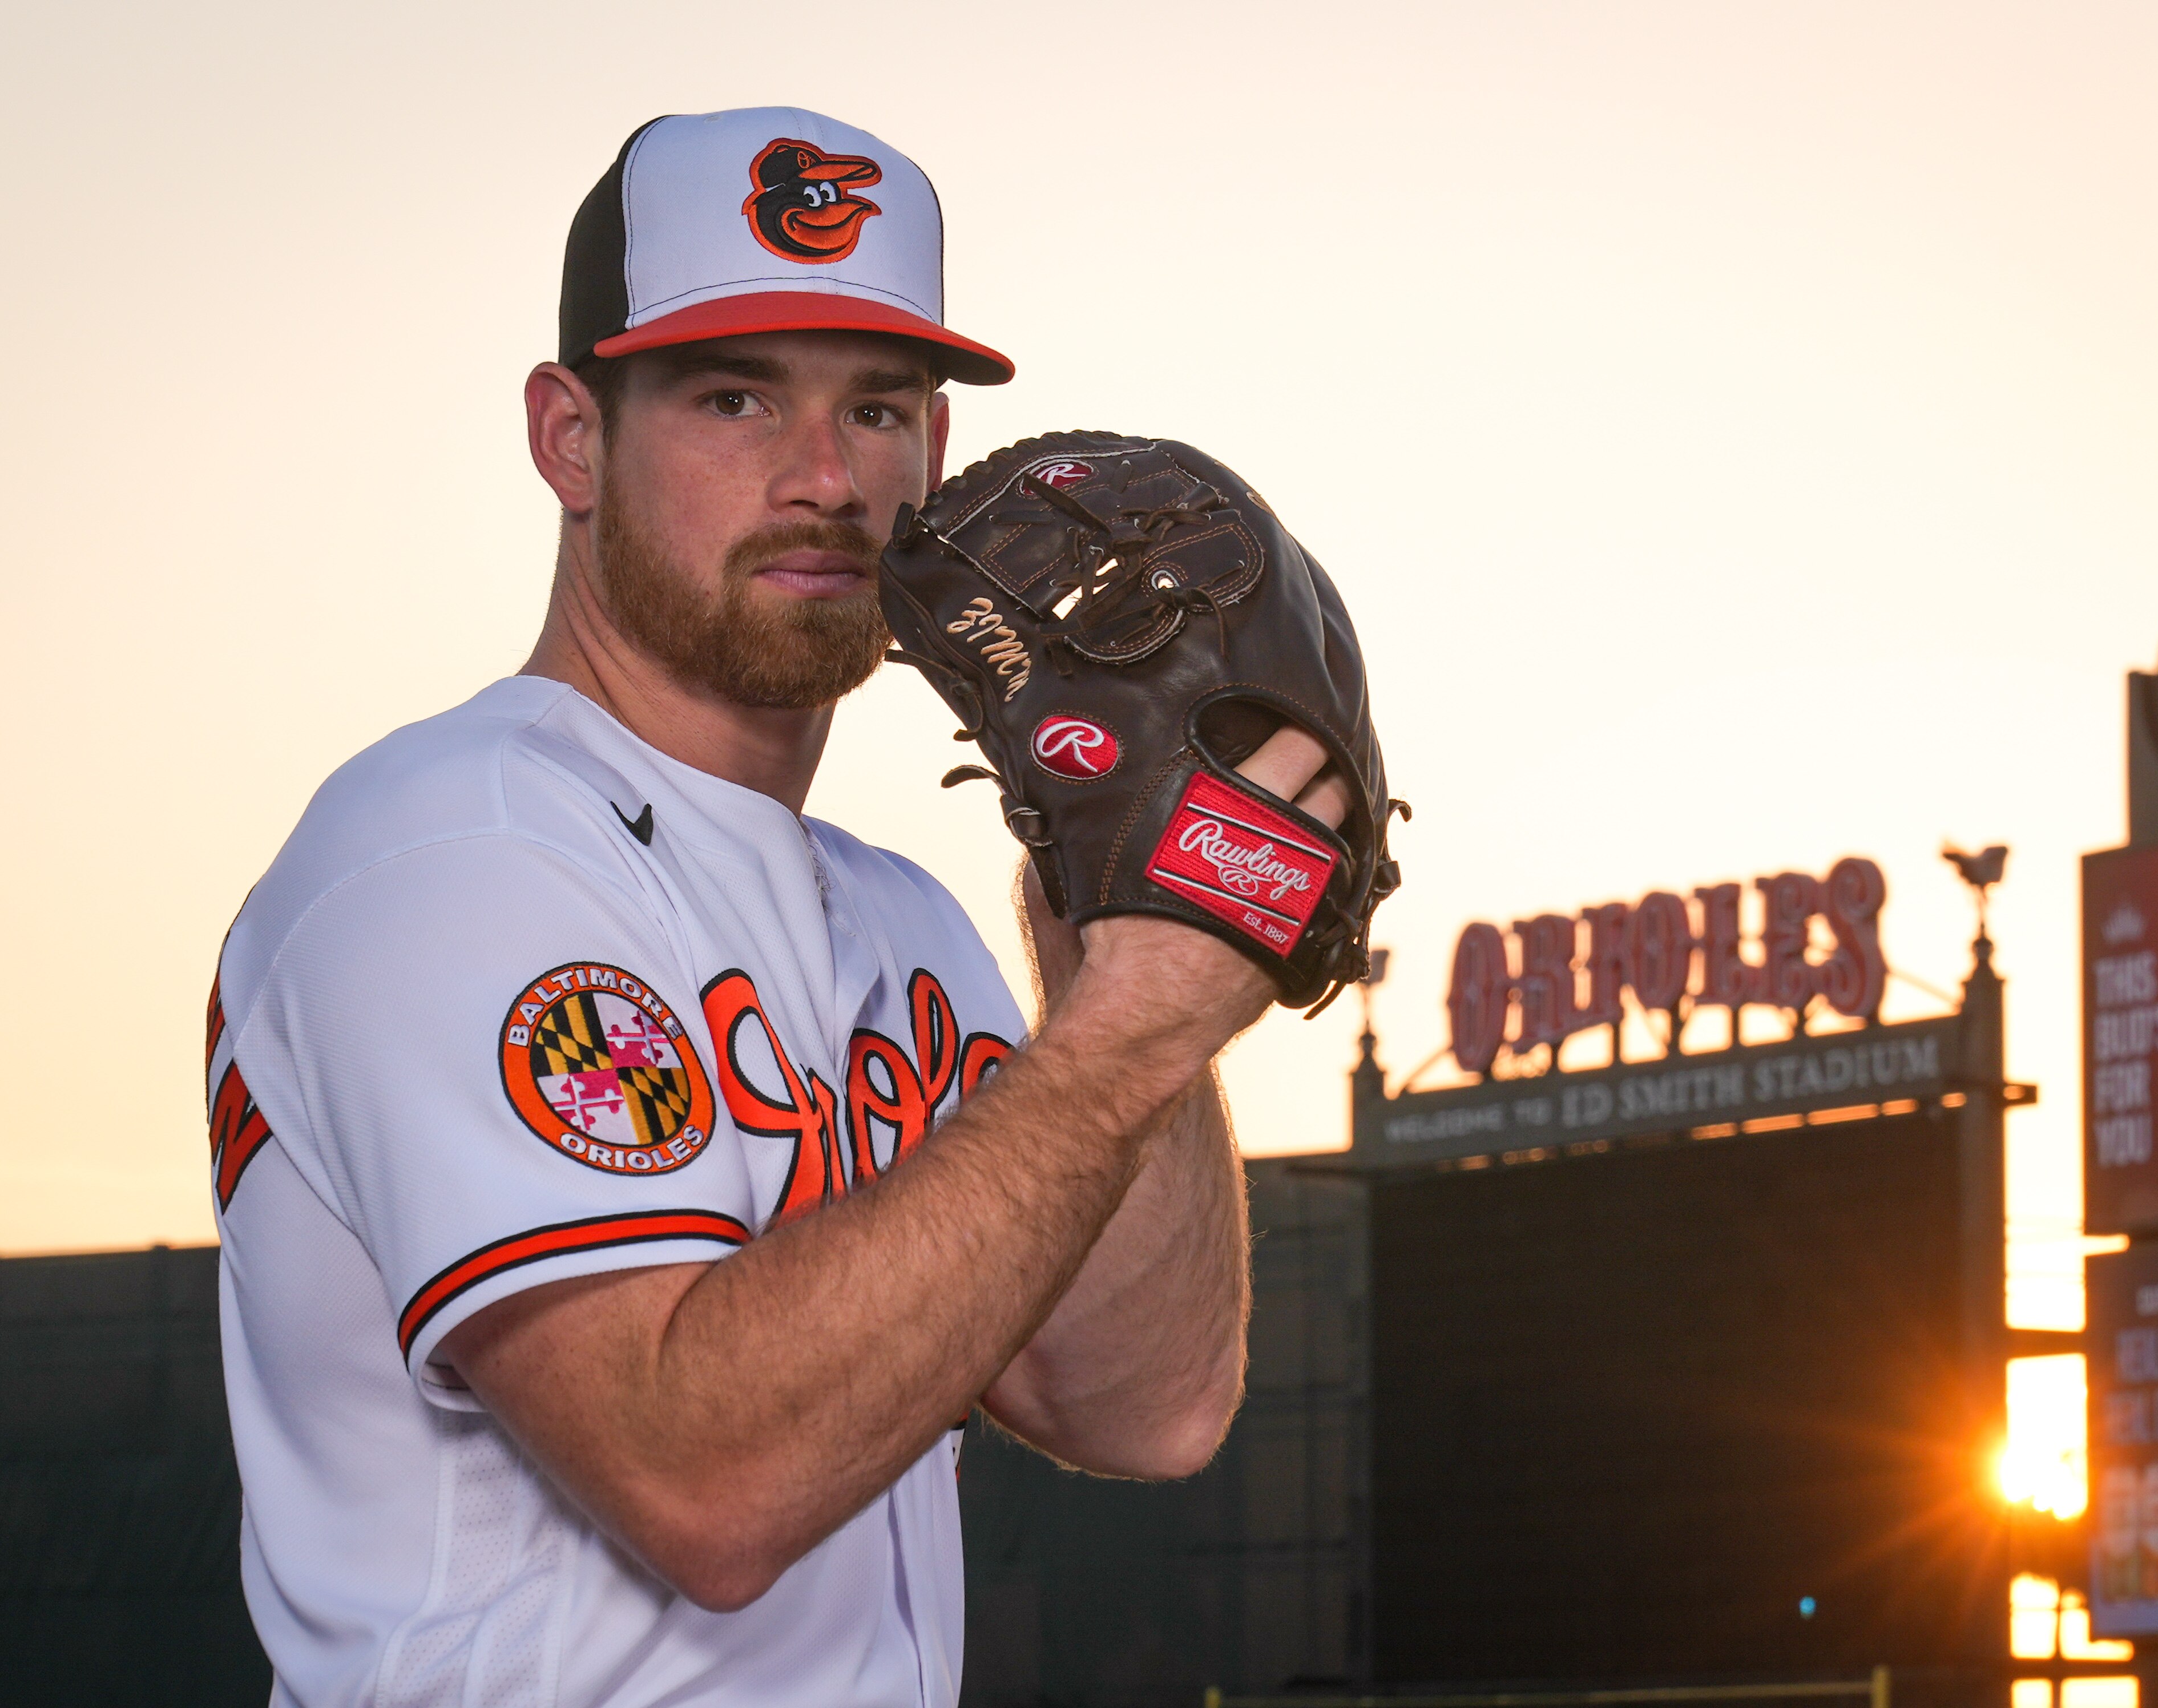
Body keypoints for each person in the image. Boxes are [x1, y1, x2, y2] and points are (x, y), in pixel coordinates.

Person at [203, 106, 1348, 1706]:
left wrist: (1107, 934)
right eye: (732, 396)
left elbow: (1141, 1404)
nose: (822, 477)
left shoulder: (904, 926)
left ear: (937, 464)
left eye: (876, 409)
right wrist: (1122, 1040)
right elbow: (700, 1480)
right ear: (569, 436)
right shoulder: (442, 852)